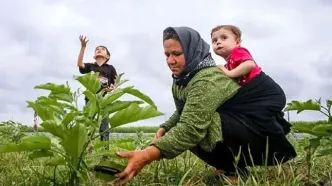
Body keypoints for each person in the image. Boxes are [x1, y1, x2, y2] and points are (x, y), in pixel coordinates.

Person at [113, 27, 296, 186]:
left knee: (200, 127)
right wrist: (165, 127)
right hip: (236, 120)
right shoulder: (182, 79)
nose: (170, 61)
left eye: (177, 54)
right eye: (167, 55)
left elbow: (191, 127)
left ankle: (235, 169)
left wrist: (146, 155)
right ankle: (229, 166)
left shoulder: (206, 78)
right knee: (187, 125)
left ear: (192, 51)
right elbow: (183, 110)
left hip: (251, 126)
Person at [77, 35, 117, 149]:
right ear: (94, 55)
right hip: (90, 99)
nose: (99, 49)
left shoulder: (110, 68)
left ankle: (105, 151)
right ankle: (87, 147)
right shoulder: (91, 66)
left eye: (102, 49)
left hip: (104, 99)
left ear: (107, 56)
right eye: (97, 49)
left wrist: (111, 89)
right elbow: (80, 64)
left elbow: (115, 83)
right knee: (88, 123)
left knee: (104, 125)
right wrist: (83, 47)